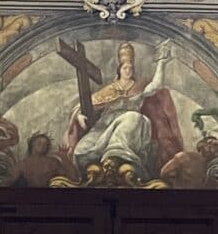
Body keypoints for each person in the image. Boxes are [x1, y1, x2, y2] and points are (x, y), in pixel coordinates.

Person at [64, 42, 182, 178]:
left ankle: (115, 157)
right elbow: (84, 104)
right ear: (119, 70)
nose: (128, 70)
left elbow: (155, 86)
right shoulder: (110, 89)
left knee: (132, 117)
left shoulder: (138, 87)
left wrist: (161, 64)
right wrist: (78, 115)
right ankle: (95, 171)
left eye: (130, 68)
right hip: (104, 127)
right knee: (81, 151)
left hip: (130, 125)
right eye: (125, 67)